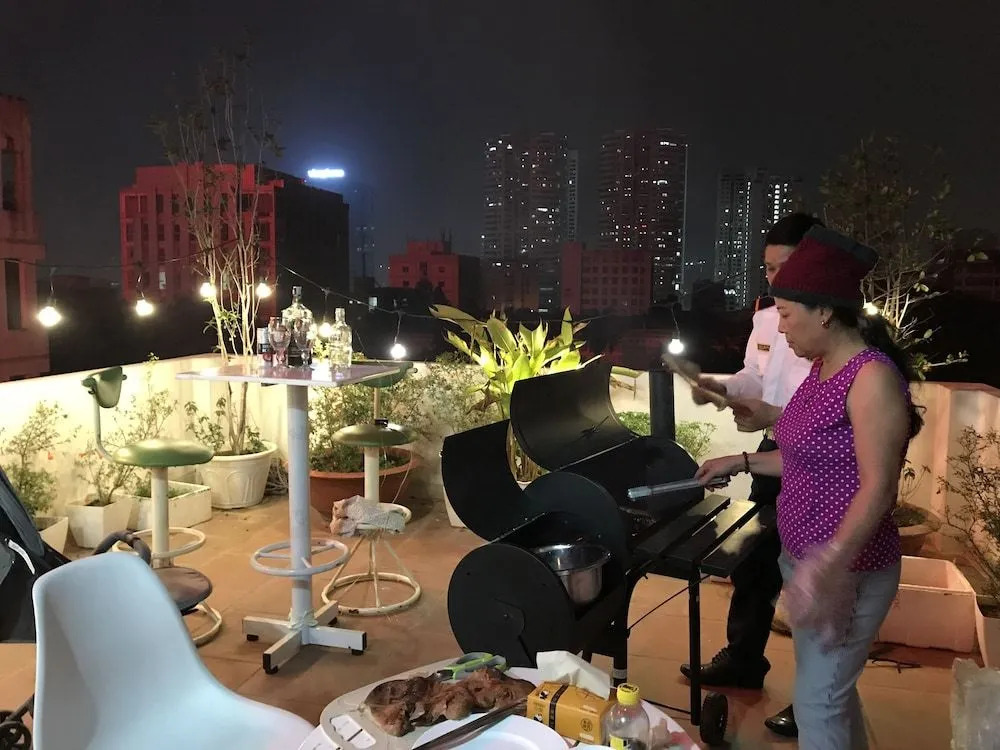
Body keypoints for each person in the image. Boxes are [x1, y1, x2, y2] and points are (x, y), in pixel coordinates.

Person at [695, 225, 922, 750]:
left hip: (846, 572)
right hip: (808, 561)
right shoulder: (822, 368)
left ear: (823, 312)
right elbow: (806, 456)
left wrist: (827, 565)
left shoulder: (871, 378)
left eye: (786, 314)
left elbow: (879, 489)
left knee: (819, 703)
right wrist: (742, 459)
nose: (780, 327)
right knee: (831, 694)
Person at [680, 212, 822, 739]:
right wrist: (723, 388)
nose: (775, 280)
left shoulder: (834, 330)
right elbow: (754, 375)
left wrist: (772, 414)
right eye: (768, 269)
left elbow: (831, 418)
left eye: (785, 268)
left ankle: (816, 698)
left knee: (811, 583)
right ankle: (743, 659)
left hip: (817, 460)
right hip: (773, 448)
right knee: (755, 562)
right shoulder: (767, 319)